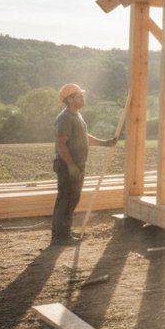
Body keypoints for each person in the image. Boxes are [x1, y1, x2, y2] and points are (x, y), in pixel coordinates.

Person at [52, 83, 116, 245]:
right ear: (69, 99)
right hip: (67, 165)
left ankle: (64, 232)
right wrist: (71, 165)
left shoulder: (76, 116)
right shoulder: (65, 118)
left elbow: (84, 137)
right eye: (79, 96)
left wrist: (105, 143)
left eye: (82, 95)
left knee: (72, 199)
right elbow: (61, 144)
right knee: (66, 199)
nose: (82, 98)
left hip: (76, 165)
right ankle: (60, 237)